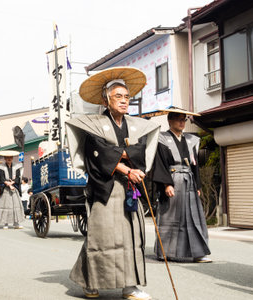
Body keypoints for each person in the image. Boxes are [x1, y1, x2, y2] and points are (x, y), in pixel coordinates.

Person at [66, 67, 160, 300]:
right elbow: (97, 153)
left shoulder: (135, 125)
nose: (124, 101)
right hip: (105, 187)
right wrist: (125, 164)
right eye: (118, 96)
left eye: (127, 97)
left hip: (130, 189)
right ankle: (90, 282)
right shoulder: (95, 125)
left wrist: (124, 157)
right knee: (101, 237)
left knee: (132, 235)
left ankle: (130, 286)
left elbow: (138, 150)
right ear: (105, 99)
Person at [152, 108, 211, 263]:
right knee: (169, 217)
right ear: (169, 121)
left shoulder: (192, 140)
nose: (181, 122)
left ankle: (198, 253)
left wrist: (198, 185)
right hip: (172, 178)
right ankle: (165, 252)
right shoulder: (162, 138)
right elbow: (160, 162)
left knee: (194, 216)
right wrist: (166, 184)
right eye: (178, 119)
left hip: (189, 179)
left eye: (184, 119)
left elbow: (195, 165)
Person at [0, 151, 24, 229]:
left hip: (14, 187)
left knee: (16, 205)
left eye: (10, 157)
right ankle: (5, 223)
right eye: (7, 158)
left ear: (12, 158)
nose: (9, 159)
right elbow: (1, 178)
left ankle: (16, 223)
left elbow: (18, 177)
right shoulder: (1, 167)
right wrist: (8, 184)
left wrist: (13, 183)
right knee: (6, 206)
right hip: (5, 189)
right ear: (4, 158)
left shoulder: (17, 166)